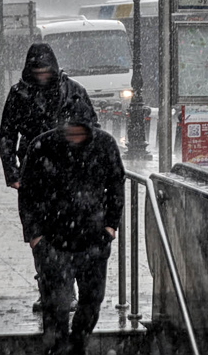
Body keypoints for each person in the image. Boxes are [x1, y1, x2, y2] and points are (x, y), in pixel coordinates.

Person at [19, 96, 125, 355]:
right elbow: (28, 194)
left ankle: (76, 346)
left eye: (81, 131)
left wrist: (110, 226)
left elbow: (116, 185)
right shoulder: (42, 146)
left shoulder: (104, 145)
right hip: (53, 239)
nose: (76, 135)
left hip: (93, 237)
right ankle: (57, 349)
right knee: (56, 306)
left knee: (91, 302)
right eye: (71, 130)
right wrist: (35, 236)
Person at [0, 42, 98, 312]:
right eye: (37, 70)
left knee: (71, 236)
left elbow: (93, 130)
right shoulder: (19, 94)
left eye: (45, 70)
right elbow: (7, 133)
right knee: (39, 239)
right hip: (35, 177)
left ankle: (69, 291)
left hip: (70, 177)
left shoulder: (73, 92)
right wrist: (13, 173)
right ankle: (48, 290)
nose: (42, 75)